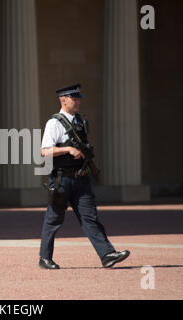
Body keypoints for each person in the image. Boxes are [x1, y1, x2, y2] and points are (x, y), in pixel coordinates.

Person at [39, 84, 130, 269]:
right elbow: (44, 151)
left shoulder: (80, 121)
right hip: (62, 179)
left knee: (90, 218)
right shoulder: (54, 123)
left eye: (79, 98)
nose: (78, 101)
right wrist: (68, 149)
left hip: (81, 178)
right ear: (63, 100)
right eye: (74, 98)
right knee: (54, 219)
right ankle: (45, 258)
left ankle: (107, 254)